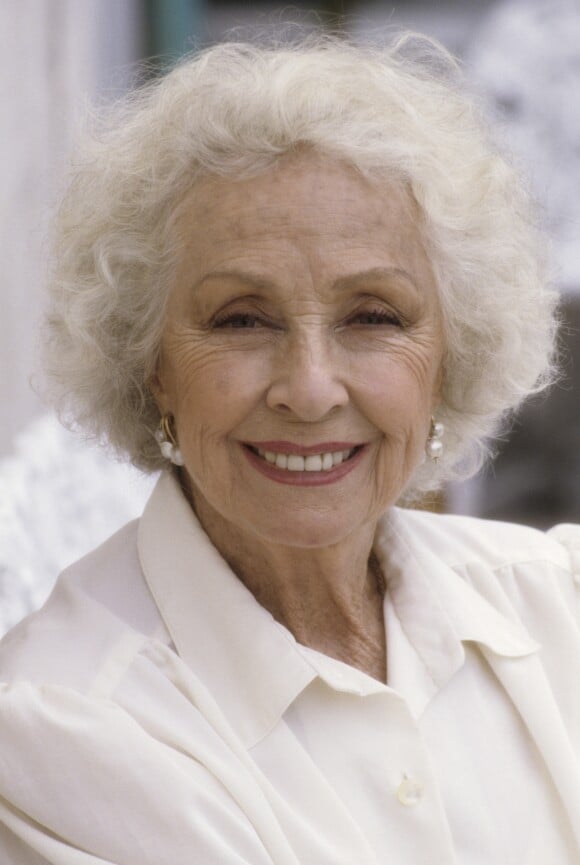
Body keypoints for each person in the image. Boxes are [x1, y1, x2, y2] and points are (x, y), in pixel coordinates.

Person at [0, 33, 578, 865]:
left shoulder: (557, 604)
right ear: (151, 363)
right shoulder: (67, 727)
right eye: (241, 319)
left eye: (373, 316)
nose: (309, 389)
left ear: (450, 353)